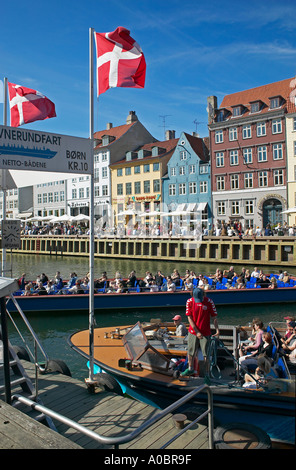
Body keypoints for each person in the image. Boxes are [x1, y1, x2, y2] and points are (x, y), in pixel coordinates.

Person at [181, 287, 219, 377]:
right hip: (193, 331)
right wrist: (196, 331)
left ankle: (206, 373)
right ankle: (190, 368)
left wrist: (217, 329)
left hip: (205, 332)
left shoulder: (209, 302)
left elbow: (214, 317)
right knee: (191, 351)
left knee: (206, 354)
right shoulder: (189, 302)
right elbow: (189, 318)